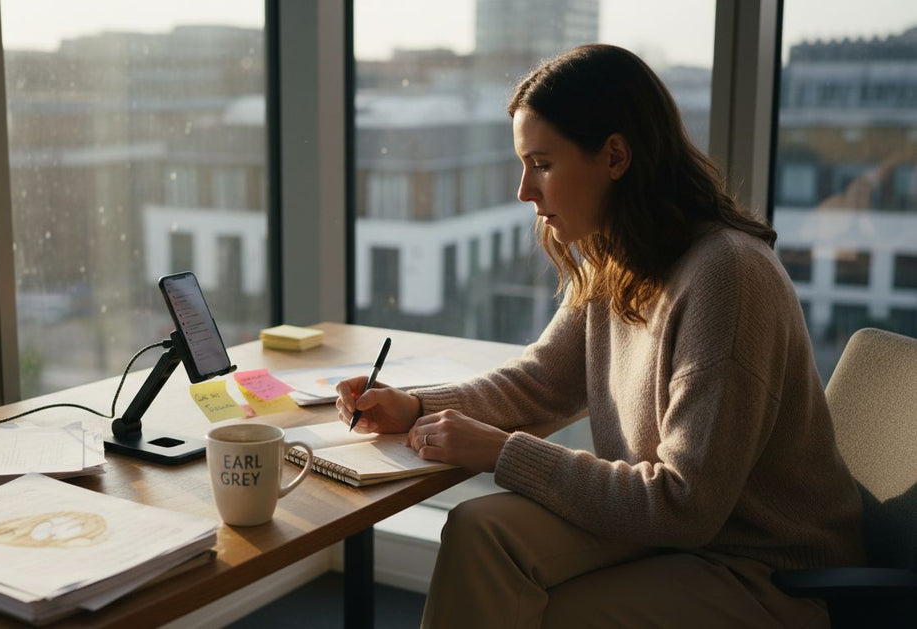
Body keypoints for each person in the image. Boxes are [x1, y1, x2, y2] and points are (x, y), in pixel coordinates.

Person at [335, 44, 864, 628]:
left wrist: (499, 451)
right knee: (477, 530)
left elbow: (682, 505)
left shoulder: (728, 276)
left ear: (614, 155)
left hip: (763, 568)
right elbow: (540, 381)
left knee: (550, 614)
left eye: (542, 164)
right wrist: (415, 406)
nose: (524, 191)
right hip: (671, 534)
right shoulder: (619, 258)